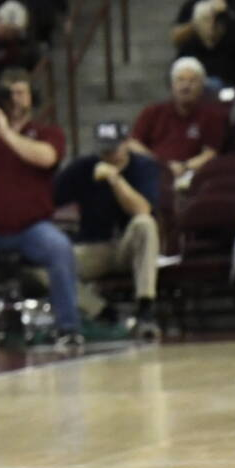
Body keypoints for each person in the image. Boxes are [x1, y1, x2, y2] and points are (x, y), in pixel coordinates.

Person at [0, 68, 81, 354]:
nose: (15, 98)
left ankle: (68, 328)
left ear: (32, 97)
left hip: (32, 226)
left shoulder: (47, 131)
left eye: (21, 92)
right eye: (9, 93)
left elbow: (46, 158)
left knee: (59, 248)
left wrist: (6, 133)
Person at [53, 120, 162, 338]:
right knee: (46, 266)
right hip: (95, 246)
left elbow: (142, 209)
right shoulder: (83, 167)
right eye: (104, 148)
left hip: (129, 246)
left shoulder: (144, 167)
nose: (109, 153)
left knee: (145, 224)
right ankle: (104, 312)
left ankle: (146, 309)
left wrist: (115, 179)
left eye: (114, 146)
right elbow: (49, 198)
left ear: (127, 143)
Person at [130, 58, 228, 184]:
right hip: (154, 172)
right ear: (172, 85)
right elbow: (133, 144)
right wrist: (160, 164)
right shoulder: (152, 112)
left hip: (192, 176)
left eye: (192, 81)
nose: (186, 86)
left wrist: (184, 167)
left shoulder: (212, 116)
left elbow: (211, 153)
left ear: (202, 86)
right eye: (180, 80)